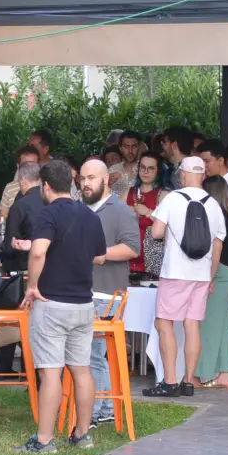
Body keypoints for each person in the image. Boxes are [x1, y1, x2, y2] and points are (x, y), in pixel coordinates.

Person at [15, 160, 106, 453]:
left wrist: (32, 285)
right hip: (83, 303)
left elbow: (38, 251)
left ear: (45, 186)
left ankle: (44, 440)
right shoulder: (90, 215)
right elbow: (99, 256)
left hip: (52, 302)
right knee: (82, 370)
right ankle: (82, 434)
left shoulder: (49, 213)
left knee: (50, 373)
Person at [142, 156, 226, 398]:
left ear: (183, 174)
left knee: (164, 323)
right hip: (201, 275)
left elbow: (156, 233)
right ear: (203, 175)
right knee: (192, 325)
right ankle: (188, 381)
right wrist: (211, 278)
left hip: (175, 272)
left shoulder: (172, 199)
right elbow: (217, 245)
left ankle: (170, 382)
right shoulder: (214, 204)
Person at [80, 159, 140, 425]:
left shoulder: (121, 210)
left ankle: (92, 412)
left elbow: (133, 248)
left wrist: (100, 255)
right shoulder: (80, 209)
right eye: (82, 178)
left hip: (107, 294)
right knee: (91, 354)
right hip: (82, 291)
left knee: (92, 354)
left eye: (91, 178)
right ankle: (104, 408)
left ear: (106, 180)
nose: (85, 183)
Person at [0, 161, 45, 377]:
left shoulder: (20, 205)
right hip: (47, 270)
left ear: (22, 180)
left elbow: (9, 244)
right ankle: (33, 371)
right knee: (38, 324)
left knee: (15, 318)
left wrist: (5, 253)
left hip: (21, 269)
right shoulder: (50, 201)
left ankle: (4, 368)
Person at [193, 175, 228, 389]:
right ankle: (224, 374)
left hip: (220, 272)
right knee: (222, 325)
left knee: (210, 325)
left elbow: (214, 249)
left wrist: (209, 277)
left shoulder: (215, 215)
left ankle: (199, 374)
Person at [126, 151, 168, 274]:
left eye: (151, 168)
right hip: (128, 254)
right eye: (142, 167)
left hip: (153, 258)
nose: (145, 171)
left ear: (158, 171)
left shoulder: (164, 195)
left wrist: (148, 212)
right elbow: (113, 217)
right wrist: (126, 211)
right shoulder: (129, 192)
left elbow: (172, 226)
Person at [0, 145, 42, 221]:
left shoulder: (47, 187)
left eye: (33, 165)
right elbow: (2, 218)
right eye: (25, 165)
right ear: (18, 166)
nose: (29, 168)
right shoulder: (9, 187)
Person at [108, 130, 143, 199]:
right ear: (120, 148)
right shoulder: (113, 169)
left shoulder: (145, 169)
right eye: (126, 146)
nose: (130, 151)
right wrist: (107, 184)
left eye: (134, 146)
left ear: (139, 147)